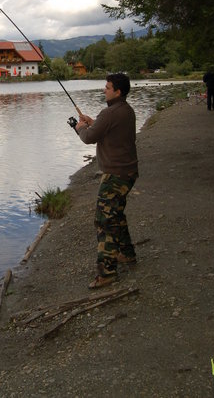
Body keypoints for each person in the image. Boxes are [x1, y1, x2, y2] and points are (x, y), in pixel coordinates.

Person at [76, 73, 138, 289]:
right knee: (116, 214)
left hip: (115, 175)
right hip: (128, 172)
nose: (104, 90)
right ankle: (126, 254)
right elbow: (107, 130)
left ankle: (107, 273)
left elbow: (88, 138)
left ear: (118, 91)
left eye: (108, 87)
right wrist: (93, 123)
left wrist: (81, 127)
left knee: (104, 221)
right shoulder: (127, 110)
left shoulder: (109, 113)